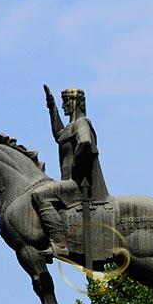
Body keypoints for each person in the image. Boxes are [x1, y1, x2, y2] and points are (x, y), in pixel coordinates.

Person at [32, 85, 109, 259]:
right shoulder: (72, 125)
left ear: (76, 102)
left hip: (80, 184)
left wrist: (76, 164)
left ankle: (60, 243)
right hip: (72, 182)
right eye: (62, 102)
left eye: (66, 101)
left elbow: (85, 142)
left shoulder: (82, 123)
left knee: (39, 195)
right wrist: (52, 108)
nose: (64, 105)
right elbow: (60, 134)